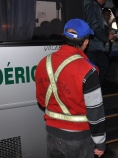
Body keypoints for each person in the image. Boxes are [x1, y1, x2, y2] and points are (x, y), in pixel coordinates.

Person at [35, 18, 106, 158]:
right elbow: (95, 112)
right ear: (86, 42)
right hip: (79, 138)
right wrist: (100, 143)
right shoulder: (88, 70)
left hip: (52, 134)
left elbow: (41, 101)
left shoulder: (43, 62)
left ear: (63, 37)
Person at [84, 0, 114, 85]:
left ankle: (96, 88)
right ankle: (96, 89)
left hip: (93, 45)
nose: (104, 1)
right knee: (100, 65)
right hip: (93, 45)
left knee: (102, 64)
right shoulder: (92, 5)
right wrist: (106, 36)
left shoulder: (91, 4)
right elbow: (94, 26)